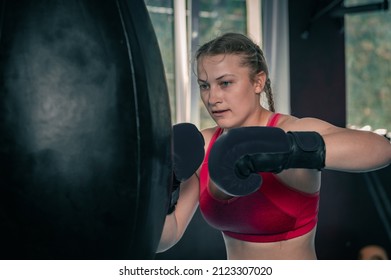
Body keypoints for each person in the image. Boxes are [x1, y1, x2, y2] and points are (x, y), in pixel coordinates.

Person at [158, 32, 391, 260]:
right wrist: (165, 188)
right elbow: (165, 239)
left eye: (225, 83)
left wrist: (288, 151)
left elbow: (381, 149)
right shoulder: (204, 145)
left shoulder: (288, 131)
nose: (212, 98)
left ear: (258, 81)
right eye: (204, 85)